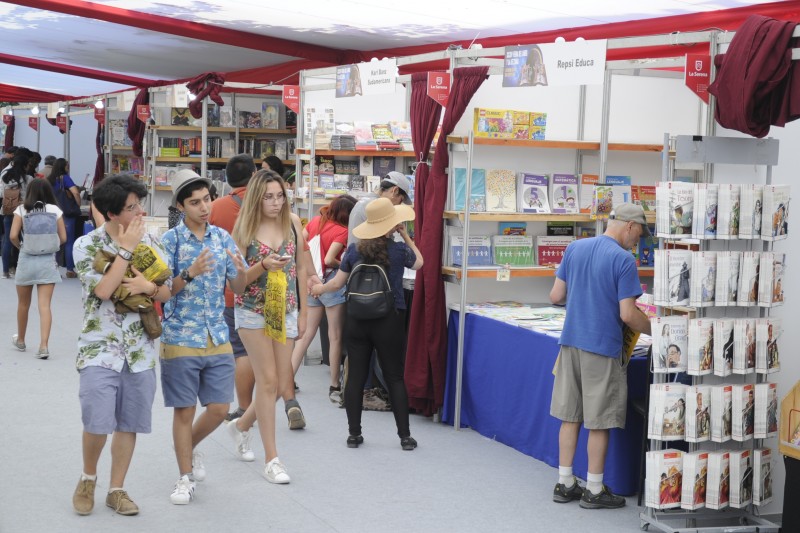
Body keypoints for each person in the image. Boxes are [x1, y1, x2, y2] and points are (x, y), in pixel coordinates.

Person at [71, 175, 172, 516]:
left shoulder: (152, 242)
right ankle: (88, 478)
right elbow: (103, 291)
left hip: (141, 349)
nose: (140, 212)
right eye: (132, 207)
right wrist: (126, 250)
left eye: (139, 205)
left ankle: (117, 488)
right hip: (100, 347)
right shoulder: (86, 246)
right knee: (97, 421)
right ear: (112, 213)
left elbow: (166, 289)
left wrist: (151, 287)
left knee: (129, 423)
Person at [549, 203, 651, 509]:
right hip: (603, 347)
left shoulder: (575, 248)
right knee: (599, 421)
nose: (638, 242)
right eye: (639, 235)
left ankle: (565, 482)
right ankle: (594, 488)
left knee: (570, 416)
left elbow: (555, 296)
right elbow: (628, 314)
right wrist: (656, 329)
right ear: (630, 226)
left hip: (570, 343)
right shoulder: (623, 260)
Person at [160, 170, 247, 505]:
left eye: (207, 199)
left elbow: (237, 288)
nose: (203, 207)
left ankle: (187, 447)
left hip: (217, 334)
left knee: (219, 408)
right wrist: (190, 272)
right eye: (194, 202)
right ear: (181, 206)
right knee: (183, 410)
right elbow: (164, 293)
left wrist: (243, 269)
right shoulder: (170, 241)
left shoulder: (223, 238)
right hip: (181, 333)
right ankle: (184, 477)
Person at [311, 197, 423, 450]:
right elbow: (420, 262)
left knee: (356, 378)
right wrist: (405, 236)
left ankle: (354, 434)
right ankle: (404, 436)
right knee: (394, 376)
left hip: (357, 318)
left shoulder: (354, 250)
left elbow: (337, 284)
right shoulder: (397, 250)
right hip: (389, 319)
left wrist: (319, 287)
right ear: (392, 224)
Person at [227, 169, 308, 483]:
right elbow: (236, 283)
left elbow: (302, 268)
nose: (275, 203)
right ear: (256, 199)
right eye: (268, 197)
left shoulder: (293, 224)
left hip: (285, 309)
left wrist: (301, 312)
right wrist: (262, 264)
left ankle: (241, 426)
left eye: (279, 196)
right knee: (270, 381)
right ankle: (272, 458)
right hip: (251, 311)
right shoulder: (243, 230)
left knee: (278, 383)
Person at [290, 194, 357, 402]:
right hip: (331, 283)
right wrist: (344, 265)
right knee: (335, 336)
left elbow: (299, 243)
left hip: (311, 281)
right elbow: (329, 259)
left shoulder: (316, 221)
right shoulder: (343, 231)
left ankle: (288, 379)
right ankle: (334, 384)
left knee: (306, 335)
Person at [208, 155, 256, 423]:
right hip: (267, 285)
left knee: (241, 350)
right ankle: (283, 399)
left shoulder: (216, 207)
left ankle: (245, 406)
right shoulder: (269, 203)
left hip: (230, 290)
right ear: (254, 173)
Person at [9, 178, 67, 358]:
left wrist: (22, 247)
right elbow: (63, 238)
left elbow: (12, 236)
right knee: (45, 306)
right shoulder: (55, 210)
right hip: (47, 261)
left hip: (27, 259)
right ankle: (43, 346)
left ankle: (21, 340)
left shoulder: (21, 209)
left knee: (23, 304)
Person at [47, 158, 81, 278]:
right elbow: (75, 192)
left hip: (52, 213)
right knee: (68, 241)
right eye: (67, 165)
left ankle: (54, 268)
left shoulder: (49, 179)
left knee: (55, 242)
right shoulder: (65, 178)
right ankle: (70, 270)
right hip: (66, 214)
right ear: (64, 166)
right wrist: (78, 203)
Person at [2, 149, 33, 278]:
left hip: (8, 210)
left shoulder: (5, 176)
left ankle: (5, 270)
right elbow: (31, 195)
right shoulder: (28, 178)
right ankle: (19, 268)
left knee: (8, 239)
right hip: (23, 211)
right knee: (23, 239)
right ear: (25, 165)